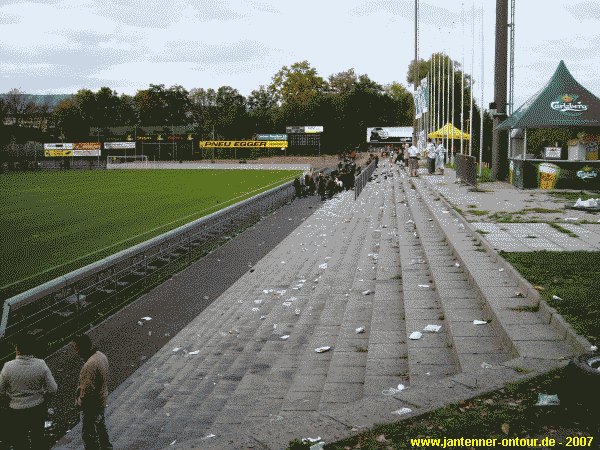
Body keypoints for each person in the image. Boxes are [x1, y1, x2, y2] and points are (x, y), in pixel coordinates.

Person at [0, 333, 57, 449]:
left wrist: (9, 397)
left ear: (18, 349)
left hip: (16, 410)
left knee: (19, 440)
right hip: (37, 407)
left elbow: (0, 390)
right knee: (38, 437)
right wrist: (43, 396)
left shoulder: (8, 367)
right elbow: (53, 388)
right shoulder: (41, 365)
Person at [72, 334, 112, 450]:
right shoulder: (100, 356)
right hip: (101, 399)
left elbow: (87, 392)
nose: (76, 352)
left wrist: (79, 402)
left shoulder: (89, 366)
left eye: (75, 348)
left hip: (91, 406)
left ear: (81, 348)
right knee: (100, 427)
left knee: (89, 435)